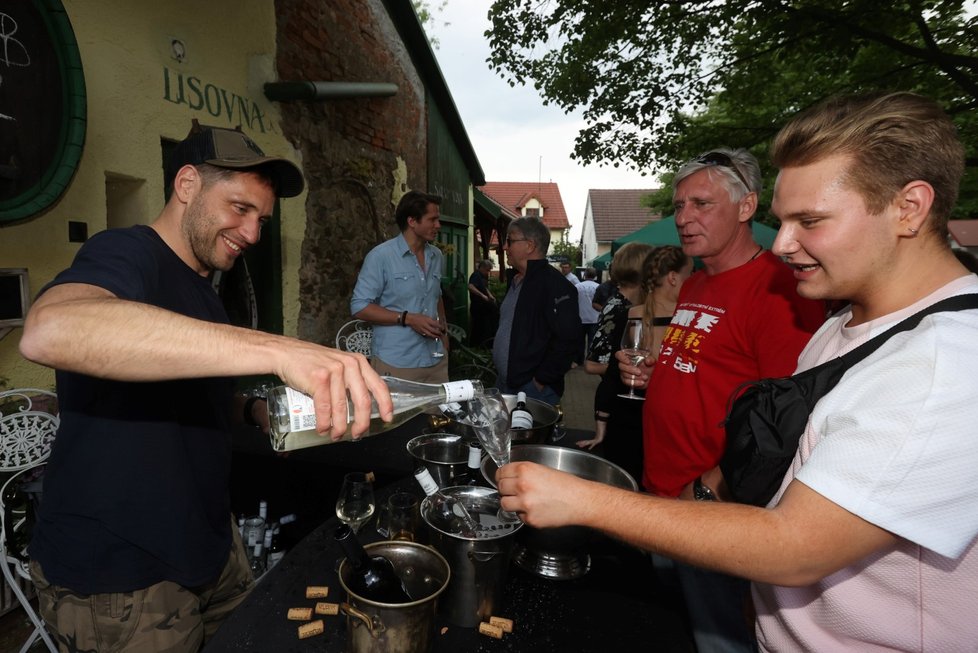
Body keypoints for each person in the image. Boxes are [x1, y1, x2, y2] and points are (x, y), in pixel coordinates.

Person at [499, 92, 978, 650]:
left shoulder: (944, 365)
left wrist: (588, 501)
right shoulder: (847, 320)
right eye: (786, 220)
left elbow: (796, 545)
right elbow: (773, 435)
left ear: (910, 208)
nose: (788, 242)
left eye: (811, 220)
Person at [18, 122, 393, 653]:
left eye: (261, 219)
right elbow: (50, 330)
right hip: (125, 577)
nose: (254, 233)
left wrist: (252, 411)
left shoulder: (203, 288)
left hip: (211, 548)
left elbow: (181, 391)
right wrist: (279, 349)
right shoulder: (127, 252)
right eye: (240, 208)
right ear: (187, 184)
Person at [624, 148, 827, 652]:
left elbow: (785, 422)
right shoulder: (695, 281)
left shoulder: (780, 289)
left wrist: (711, 489)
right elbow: (707, 370)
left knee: (724, 638)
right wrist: (654, 374)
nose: (684, 219)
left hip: (714, 508)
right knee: (678, 625)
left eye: (701, 204)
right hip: (664, 490)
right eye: (678, 206)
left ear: (746, 206)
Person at [581, 246, 693, 482]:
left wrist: (601, 427)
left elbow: (611, 378)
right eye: (690, 274)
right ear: (673, 277)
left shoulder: (629, 315)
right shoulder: (691, 321)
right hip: (666, 429)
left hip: (624, 422)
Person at [351, 190, 449, 383]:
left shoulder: (436, 256)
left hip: (436, 360)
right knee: (396, 415)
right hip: (396, 362)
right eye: (432, 219)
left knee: (439, 414)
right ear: (412, 221)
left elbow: (436, 296)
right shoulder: (381, 256)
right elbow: (359, 307)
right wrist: (408, 318)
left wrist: (445, 336)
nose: (438, 225)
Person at [492, 217, 582, 406]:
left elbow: (568, 341)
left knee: (529, 436)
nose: (505, 247)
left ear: (530, 245)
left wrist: (539, 382)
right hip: (505, 384)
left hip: (533, 389)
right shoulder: (516, 281)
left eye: (510, 241)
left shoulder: (556, 286)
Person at [576, 242, 654, 454]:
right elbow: (592, 366)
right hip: (620, 409)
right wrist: (633, 370)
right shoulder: (623, 309)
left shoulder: (619, 303)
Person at [467, 259, 497, 347]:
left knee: (486, 327)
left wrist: (490, 295)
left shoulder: (483, 277)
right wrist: (482, 296)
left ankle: (485, 345)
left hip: (484, 307)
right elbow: (470, 286)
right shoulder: (476, 275)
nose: (488, 272)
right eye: (487, 270)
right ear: (482, 267)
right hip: (478, 307)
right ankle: (475, 346)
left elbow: (484, 287)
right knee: (478, 328)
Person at [575, 267, 600, 365]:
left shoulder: (577, 286)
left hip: (581, 317)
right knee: (592, 341)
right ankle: (590, 360)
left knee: (580, 342)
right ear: (595, 276)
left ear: (584, 275)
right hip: (594, 318)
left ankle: (579, 360)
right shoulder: (599, 287)